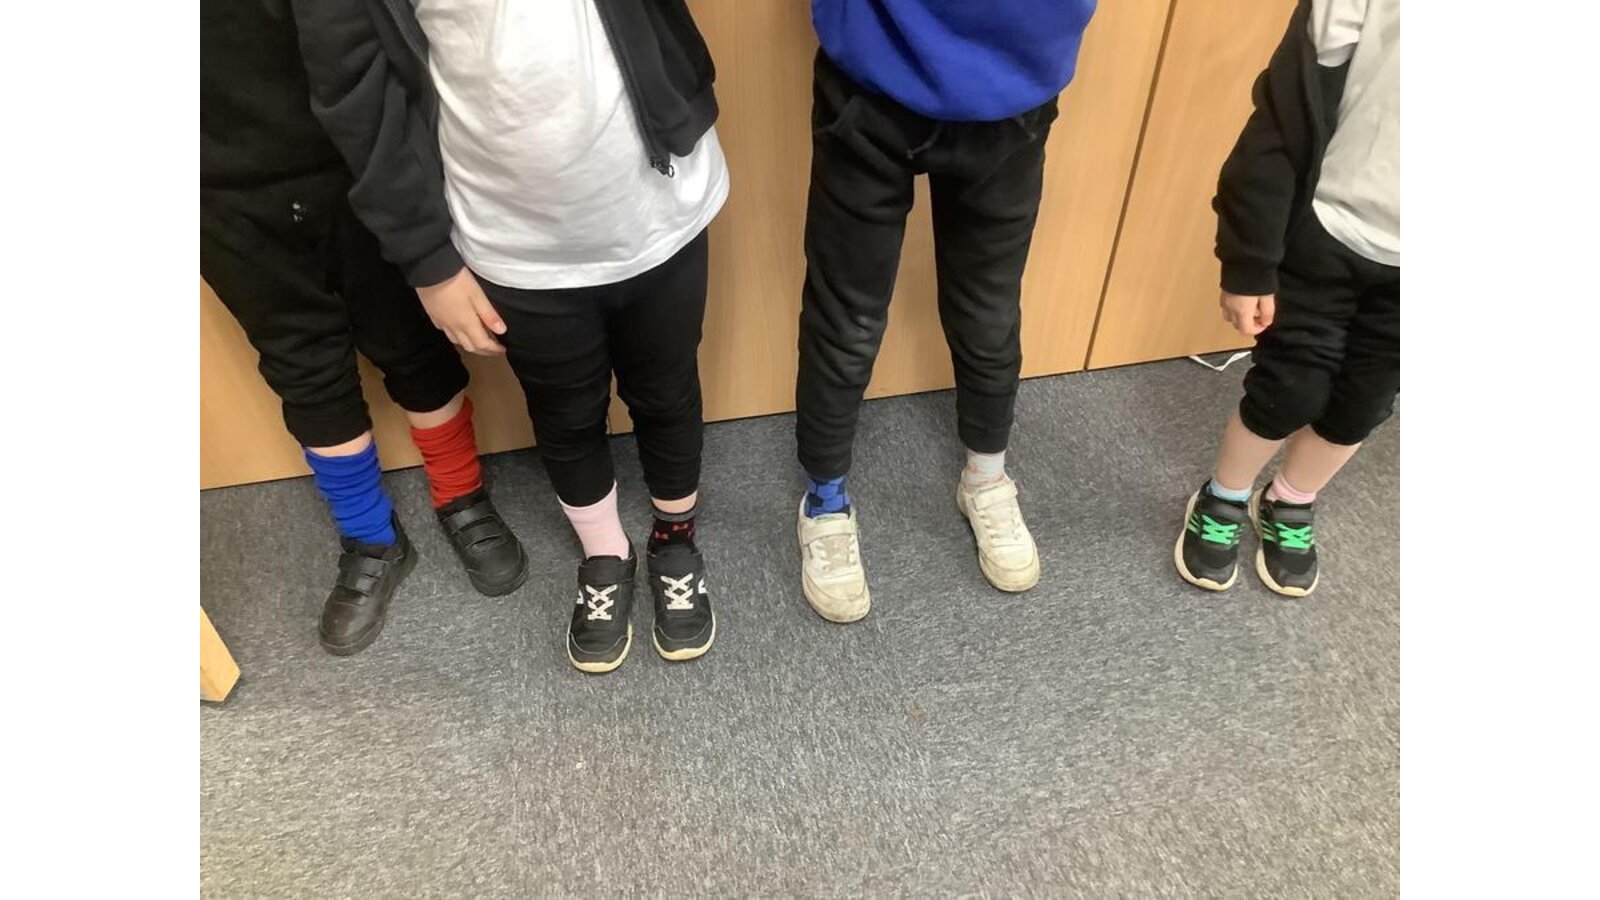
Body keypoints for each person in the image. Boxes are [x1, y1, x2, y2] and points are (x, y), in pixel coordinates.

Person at [291, 0, 728, 671]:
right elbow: (357, 94)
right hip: (514, 239)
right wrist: (428, 262)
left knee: (667, 392)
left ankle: (675, 536)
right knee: (565, 413)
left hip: (656, 206)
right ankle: (605, 553)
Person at [201, 0, 527, 656]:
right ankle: (370, 535)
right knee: (302, 369)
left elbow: (356, 55)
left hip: (354, 163)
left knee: (414, 344)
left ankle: (461, 493)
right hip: (216, 192)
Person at [792, 0, 1099, 622]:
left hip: (1015, 85)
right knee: (848, 316)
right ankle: (824, 500)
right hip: (869, 83)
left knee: (988, 310)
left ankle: (986, 478)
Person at [1175, 0, 1398, 597]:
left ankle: (1291, 500)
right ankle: (1224, 494)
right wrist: (1249, 260)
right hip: (1329, 226)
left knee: (1364, 404)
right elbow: (1283, 118)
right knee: (1290, 388)